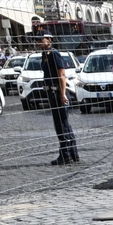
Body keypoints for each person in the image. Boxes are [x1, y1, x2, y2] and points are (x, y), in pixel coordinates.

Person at [40, 34, 78, 165]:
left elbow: (62, 75)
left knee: (62, 124)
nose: (38, 42)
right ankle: (72, 153)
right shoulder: (45, 54)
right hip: (51, 91)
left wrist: (63, 94)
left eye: (41, 39)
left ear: (49, 40)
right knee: (62, 124)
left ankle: (66, 154)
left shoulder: (54, 54)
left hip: (57, 92)